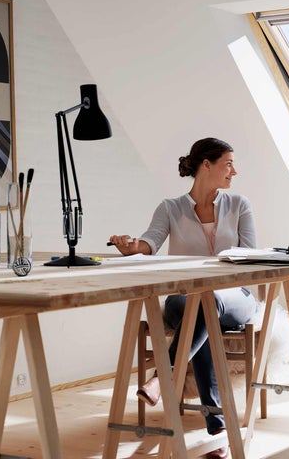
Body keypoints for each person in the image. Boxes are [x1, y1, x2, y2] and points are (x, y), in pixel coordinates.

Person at [109, 137, 256, 458]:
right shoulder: (170, 208)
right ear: (207, 165)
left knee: (207, 304)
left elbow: (250, 257)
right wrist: (131, 247)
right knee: (200, 312)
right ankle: (217, 433)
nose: (234, 170)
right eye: (228, 163)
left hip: (235, 297)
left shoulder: (239, 204)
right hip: (185, 298)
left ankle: (162, 378)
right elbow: (149, 243)